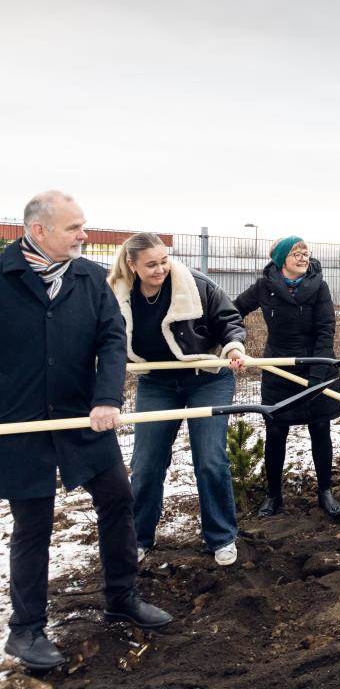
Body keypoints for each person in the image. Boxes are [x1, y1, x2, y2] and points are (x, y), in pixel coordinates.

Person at [0, 192, 171, 672]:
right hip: (21, 420)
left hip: (83, 415)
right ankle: (26, 630)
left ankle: (122, 595)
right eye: (74, 227)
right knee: (32, 523)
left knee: (117, 497)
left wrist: (106, 398)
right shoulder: (4, 275)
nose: (84, 235)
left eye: (84, 226)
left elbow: (112, 340)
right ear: (39, 231)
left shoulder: (89, 278)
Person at [106, 233, 246, 566]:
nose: (160, 269)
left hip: (207, 379)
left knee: (210, 459)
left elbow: (228, 319)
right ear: (132, 265)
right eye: (151, 264)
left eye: (163, 261)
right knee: (146, 464)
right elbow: (105, 334)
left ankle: (221, 536)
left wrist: (234, 347)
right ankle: (138, 538)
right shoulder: (118, 294)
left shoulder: (194, 284)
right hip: (158, 383)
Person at [235, 236, 340, 518]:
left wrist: (319, 375)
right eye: (296, 253)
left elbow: (325, 329)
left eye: (306, 252)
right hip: (278, 367)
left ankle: (325, 491)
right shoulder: (264, 286)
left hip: (314, 364)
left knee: (320, 429)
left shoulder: (319, 286)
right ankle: (273, 496)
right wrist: (234, 341)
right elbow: (232, 312)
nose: (303, 257)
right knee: (276, 430)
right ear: (281, 258)